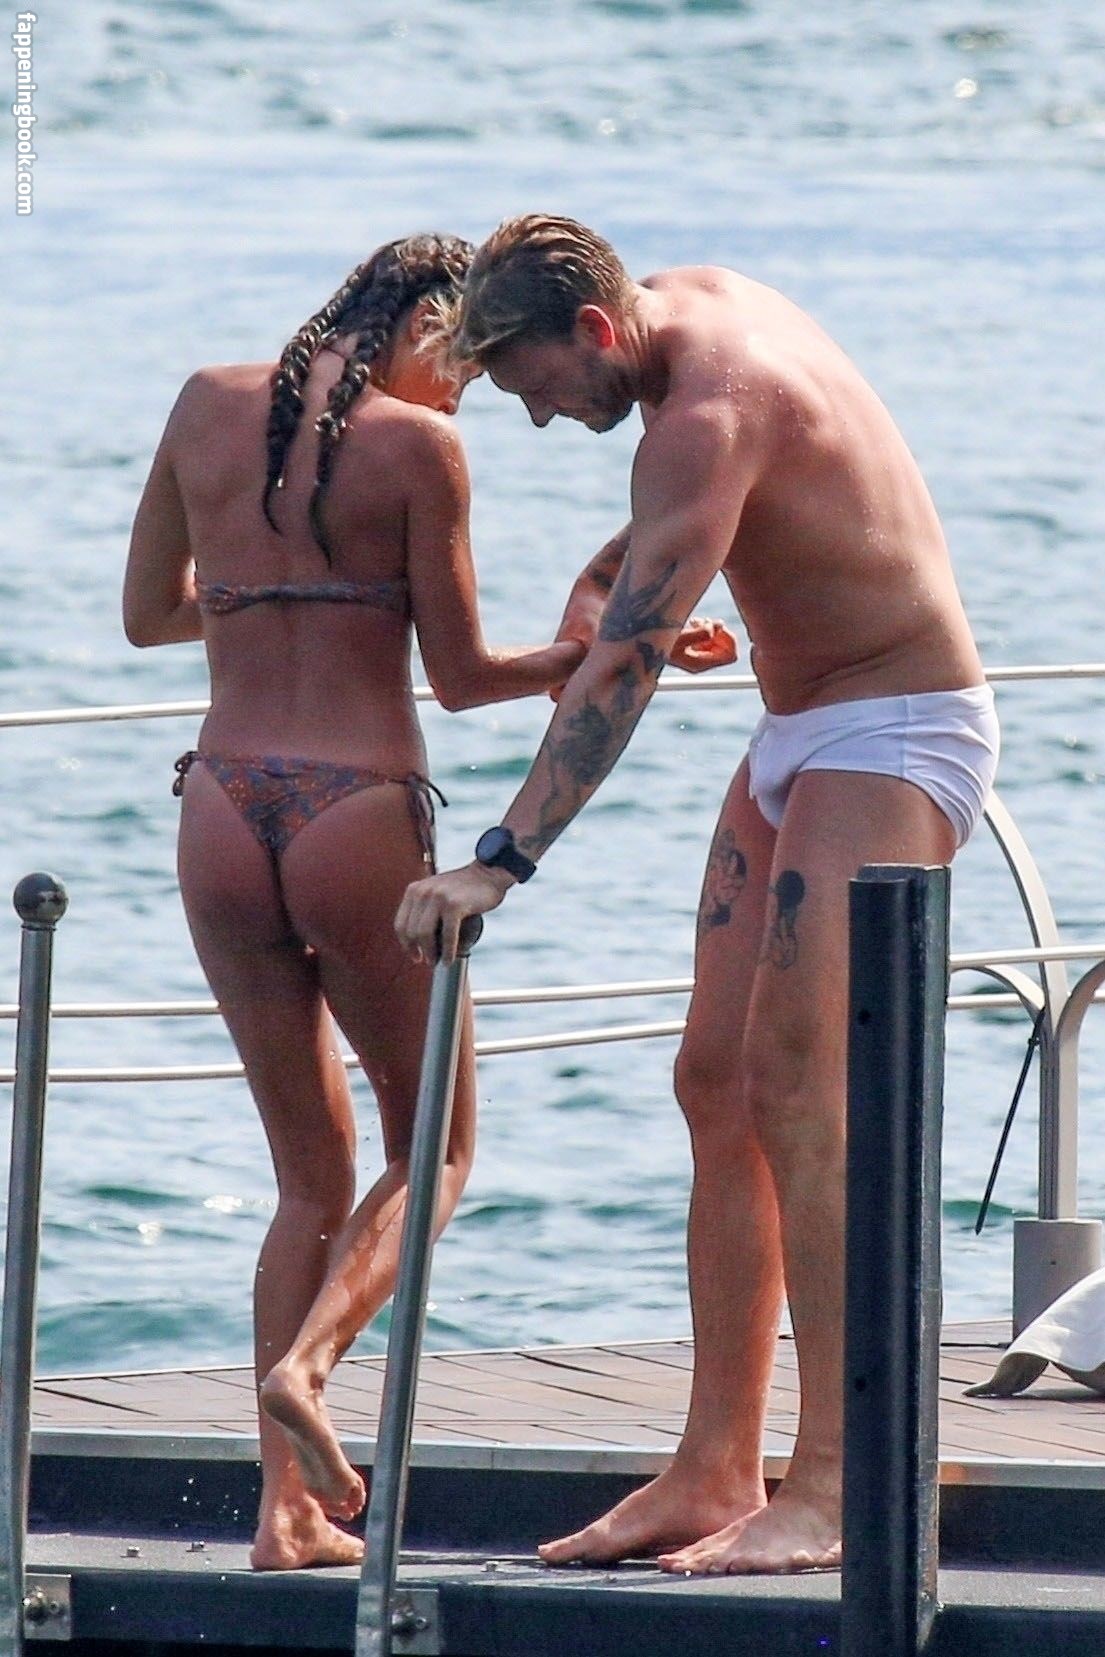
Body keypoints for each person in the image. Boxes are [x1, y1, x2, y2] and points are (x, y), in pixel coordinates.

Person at [394, 215, 1000, 1575]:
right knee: (713, 1080)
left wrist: (501, 855)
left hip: (895, 728)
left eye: (537, 387)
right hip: (805, 726)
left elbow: (624, 667)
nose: (542, 418)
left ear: (593, 329)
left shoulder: (710, 405)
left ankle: (833, 1482)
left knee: (798, 1090)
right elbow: (683, 535)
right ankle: (715, 1462)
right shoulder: (677, 321)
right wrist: (607, 579)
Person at [121, 233, 590, 1571]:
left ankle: (284, 1515)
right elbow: (462, 676)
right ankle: (310, 1369)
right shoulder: (422, 450)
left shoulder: (205, 402)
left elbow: (150, 614)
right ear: (425, 325)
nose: (470, 385)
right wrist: (593, 650)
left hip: (221, 805)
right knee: (435, 1144)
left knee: (304, 1181)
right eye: (467, 357)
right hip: (357, 812)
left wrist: (274, 599)